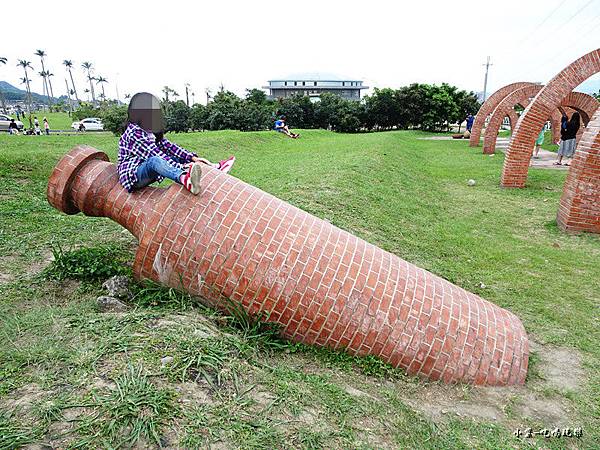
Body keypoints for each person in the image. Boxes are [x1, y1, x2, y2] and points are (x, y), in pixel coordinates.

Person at [118, 92, 235, 195]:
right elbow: (155, 154)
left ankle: (214, 168)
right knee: (155, 160)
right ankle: (185, 179)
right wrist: (183, 167)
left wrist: (193, 158)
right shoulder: (134, 133)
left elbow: (170, 147)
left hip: (148, 169)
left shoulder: (149, 130)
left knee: (176, 157)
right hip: (134, 176)